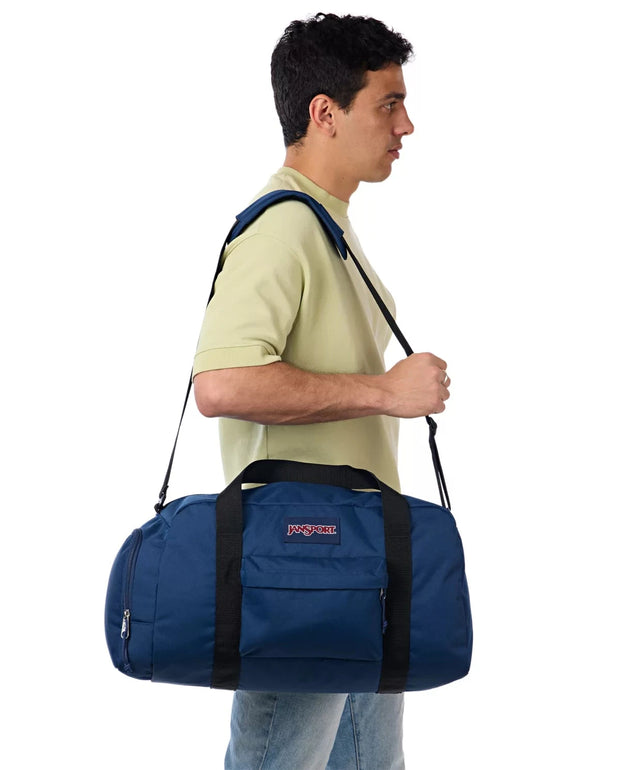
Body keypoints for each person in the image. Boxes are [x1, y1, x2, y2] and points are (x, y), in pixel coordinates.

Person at [192, 13, 450, 770]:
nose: (406, 126)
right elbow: (221, 382)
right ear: (324, 113)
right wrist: (385, 393)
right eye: (389, 104)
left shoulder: (327, 225)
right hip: (301, 572)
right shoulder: (283, 229)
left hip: (355, 559)